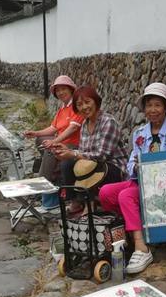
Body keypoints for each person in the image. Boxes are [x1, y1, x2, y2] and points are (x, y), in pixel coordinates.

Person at [99, 82, 166, 274]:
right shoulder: (139, 134)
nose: (153, 110)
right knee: (105, 192)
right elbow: (131, 163)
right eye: (149, 105)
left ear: (165, 107)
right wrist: (137, 166)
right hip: (141, 182)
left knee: (126, 196)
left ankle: (141, 246)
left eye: (157, 105)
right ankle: (133, 227)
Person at [52, 85, 128, 214]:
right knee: (67, 163)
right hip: (95, 164)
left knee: (85, 164)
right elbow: (84, 152)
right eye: (79, 105)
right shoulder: (85, 124)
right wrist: (66, 151)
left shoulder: (108, 122)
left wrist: (73, 154)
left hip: (113, 167)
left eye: (87, 102)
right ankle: (77, 201)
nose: (84, 107)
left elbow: (102, 155)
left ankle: (90, 203)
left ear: (96, 101)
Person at [24, 75, 83, 206]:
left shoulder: (76, 105)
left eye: (63, 89)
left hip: (73, 145)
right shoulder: (63, 108)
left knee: (50, 149)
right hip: (63, 142)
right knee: (41, 140)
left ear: (71, 89)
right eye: (58, 90)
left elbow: (73, 128)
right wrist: (35, 133)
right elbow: (53, 128)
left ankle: (40, 185)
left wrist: (54, 142)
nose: (60, 92)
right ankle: (52, 171)